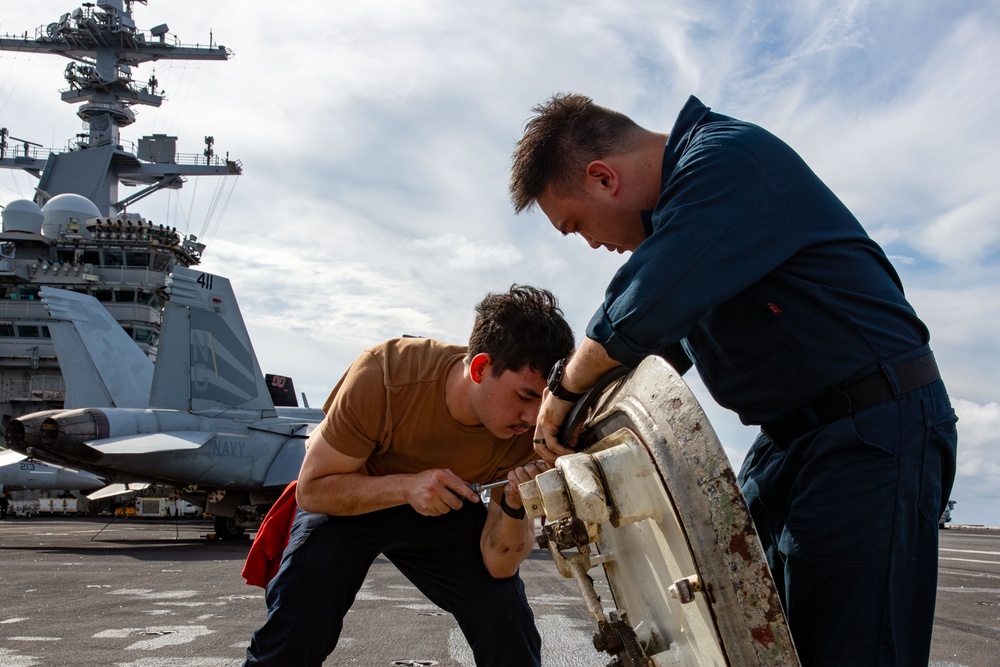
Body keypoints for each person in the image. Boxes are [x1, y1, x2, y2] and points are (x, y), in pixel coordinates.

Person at [510, 93, 957, 667]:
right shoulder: (692, 231)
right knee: (747, 633)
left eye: (576, 226)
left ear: (602, 178)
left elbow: (645, 305)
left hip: (872, 428)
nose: (593, 243)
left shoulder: (726, 164)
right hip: (793, 440)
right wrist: (569, 433)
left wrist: (562, 393)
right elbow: (645, 353)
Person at [243, 284, 576, 667]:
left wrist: (517, 506)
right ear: (481, 368)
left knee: (505, 618)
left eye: (544, 400)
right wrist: (407, 486)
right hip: (349, 499)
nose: (535, 418)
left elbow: (500, 564)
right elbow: (312, 490)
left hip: (443, 508)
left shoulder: (529, 433)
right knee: (298, 627)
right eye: (524, 396)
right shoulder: (385, 373)